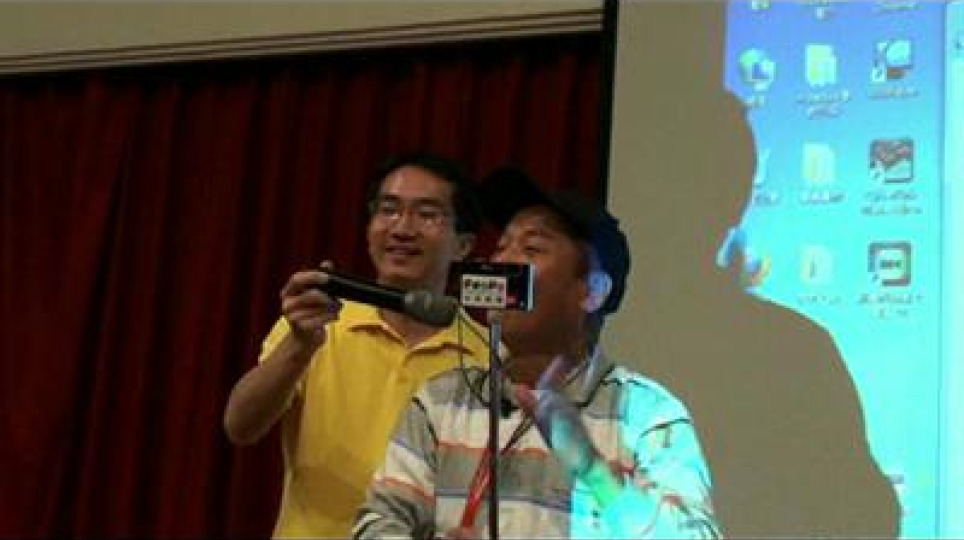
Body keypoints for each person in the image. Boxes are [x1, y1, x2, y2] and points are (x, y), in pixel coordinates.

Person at [352, 167, 719, 539]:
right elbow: (376, 524)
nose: (501, 263)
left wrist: (593, 471)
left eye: (531, 249)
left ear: (592, 291)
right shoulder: (441, 401)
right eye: (501, 247)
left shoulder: (647, 415)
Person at [222, 152, 491, 538]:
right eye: (388, 210)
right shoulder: (317, 323)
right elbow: (240, 426)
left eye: (427, 214)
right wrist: (299, 346)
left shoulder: (486, 355)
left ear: (463, 245)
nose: (402, 228)